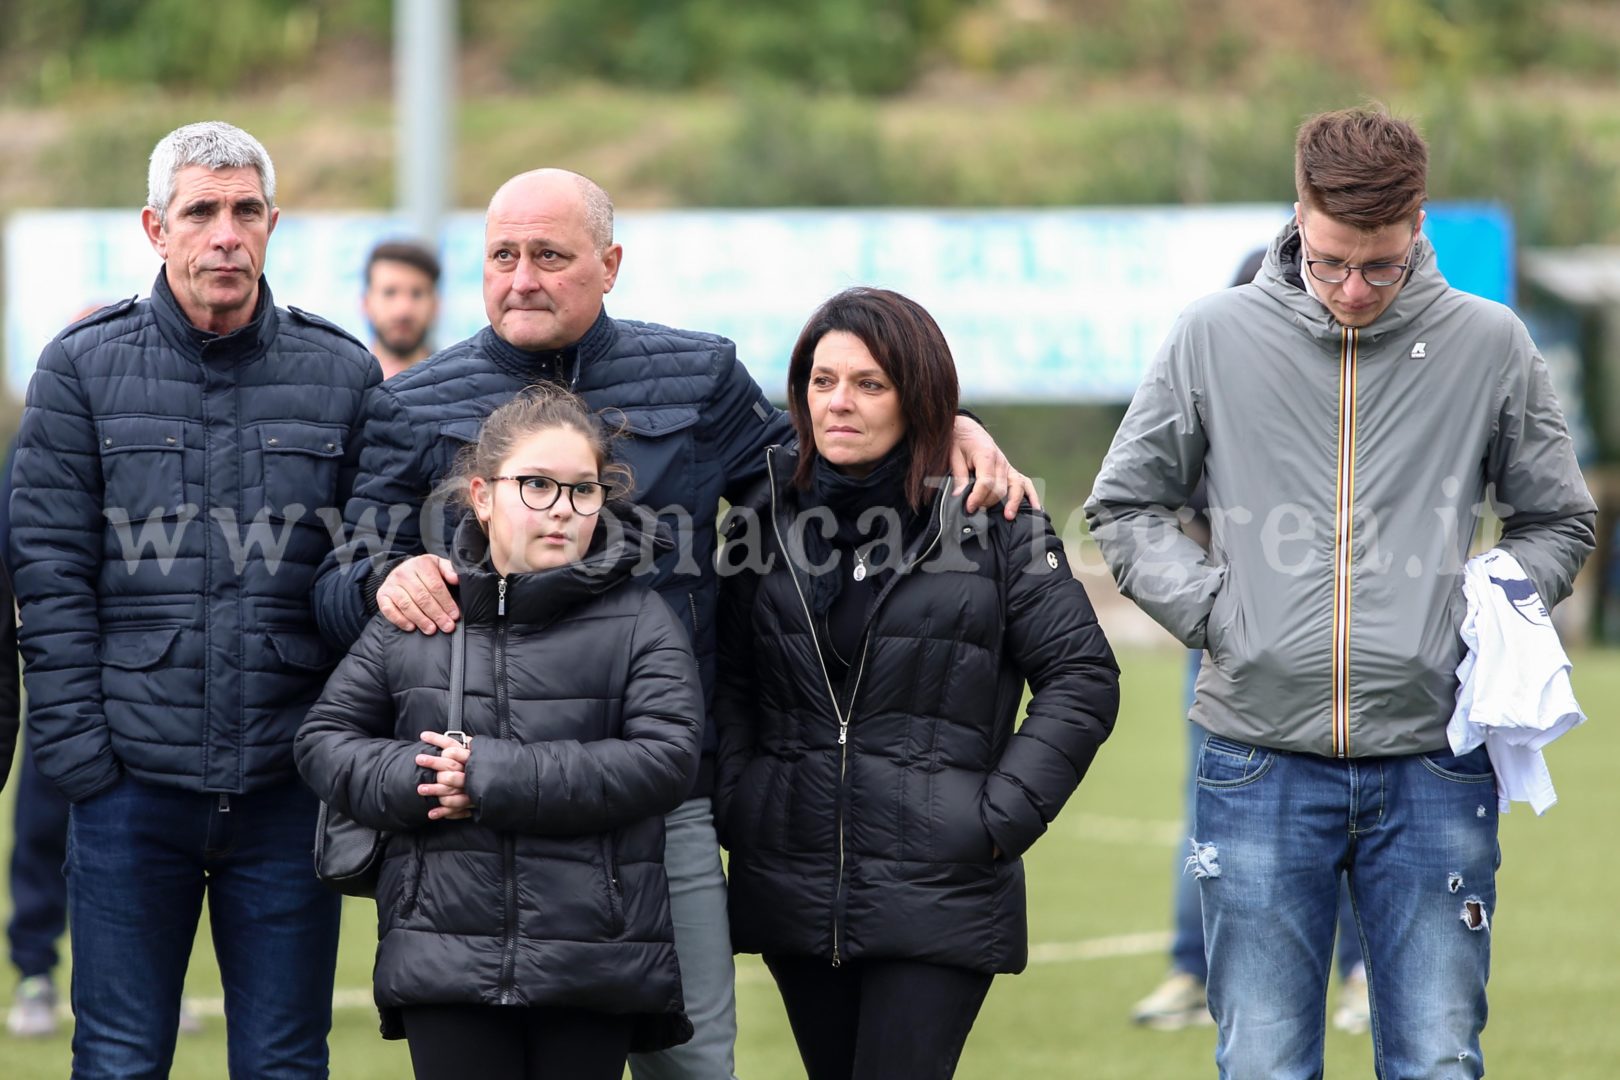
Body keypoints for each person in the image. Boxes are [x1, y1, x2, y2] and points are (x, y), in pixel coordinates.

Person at [310, 168, 1031, 1080]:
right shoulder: (414, 401)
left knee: (691, 1065)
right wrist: (386, 576)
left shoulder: (698, 376)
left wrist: (948, 429)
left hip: (659, 790)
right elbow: (336, 583)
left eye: (550, 255)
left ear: (610, 263)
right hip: (471, 811)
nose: (522, 276)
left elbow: (825, 477)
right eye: (502, 255)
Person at [1086, 106, 1596, 1079]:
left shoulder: (1491, 342)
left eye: (1380, 266)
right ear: (1299, 212)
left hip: (1437, 764)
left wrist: (1485, 610)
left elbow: (1558, 519)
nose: (1351, 289)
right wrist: (1216, 616)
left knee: (1439, 1064)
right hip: (1256, 761)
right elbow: (1126, 506)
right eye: (1327, 263)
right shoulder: (1210, 334)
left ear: (1417, 225)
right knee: (1266, 1067)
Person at [9, 121, 379, 1076]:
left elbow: (368, 574)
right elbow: (46, 577)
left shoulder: (343, 374)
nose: (226, 234)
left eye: (245, 211)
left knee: (286, 1062)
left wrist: (336, 751)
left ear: (272, 223)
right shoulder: (79, 370)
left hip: (289, 790)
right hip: (128, 786)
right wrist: (82, 759)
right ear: (155, 228)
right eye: (201, 212)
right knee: (123, 1060)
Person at [711, 287, 1121, 1080]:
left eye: (870, 384)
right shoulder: (762, 519)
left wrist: (994, 820)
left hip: (941, 880)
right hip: (794, 876)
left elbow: (1082, 678)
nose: (839, 403)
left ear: (917, 395)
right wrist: (745, 798)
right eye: (822, 381)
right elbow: (729, 679)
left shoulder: (996, 516)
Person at [296, 386, 702, 1080]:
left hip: (594, 953)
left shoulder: (642, 618)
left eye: (582, 490)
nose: (562, 510)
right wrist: (427, 778)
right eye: (537, 485)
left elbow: (667, 757)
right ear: (481, 496)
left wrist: (490, 776)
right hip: (442, 954)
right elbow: (323, 741)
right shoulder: (423, 610)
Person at [1129, 256, 1370, 1036]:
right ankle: (1191, 971)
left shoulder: (1367, 389)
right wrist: (1214, 605)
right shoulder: (1213, 374)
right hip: (1235, 637)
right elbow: (1154, 500)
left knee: (1360, 799)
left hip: (1355, 641)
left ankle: (1365, 974)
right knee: (1212, 798)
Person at [362, 239, 441, 378]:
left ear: (436, 305)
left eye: (417, 294)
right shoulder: (341, 387)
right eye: (390, 292)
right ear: (365, 303)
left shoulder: (458, 390)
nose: (403, 310)